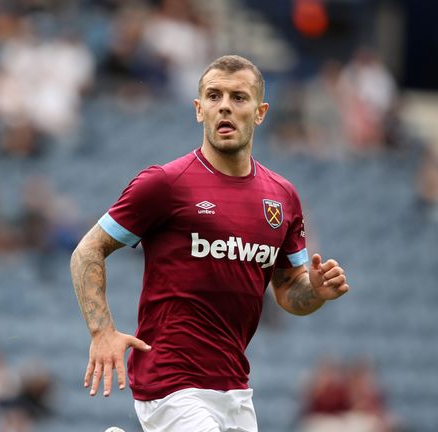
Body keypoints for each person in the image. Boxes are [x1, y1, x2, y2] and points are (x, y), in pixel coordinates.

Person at [70, 55, 350, 432]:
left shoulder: (282, 197)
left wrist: (315, 290)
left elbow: (288, 293)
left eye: (238, 97)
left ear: (260, 111)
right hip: (169, 380)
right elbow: (88, 250)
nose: (225, 107)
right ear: (199, 109)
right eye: (214, 96)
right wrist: (101, 332)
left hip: (234, 387)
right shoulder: (165, 184)